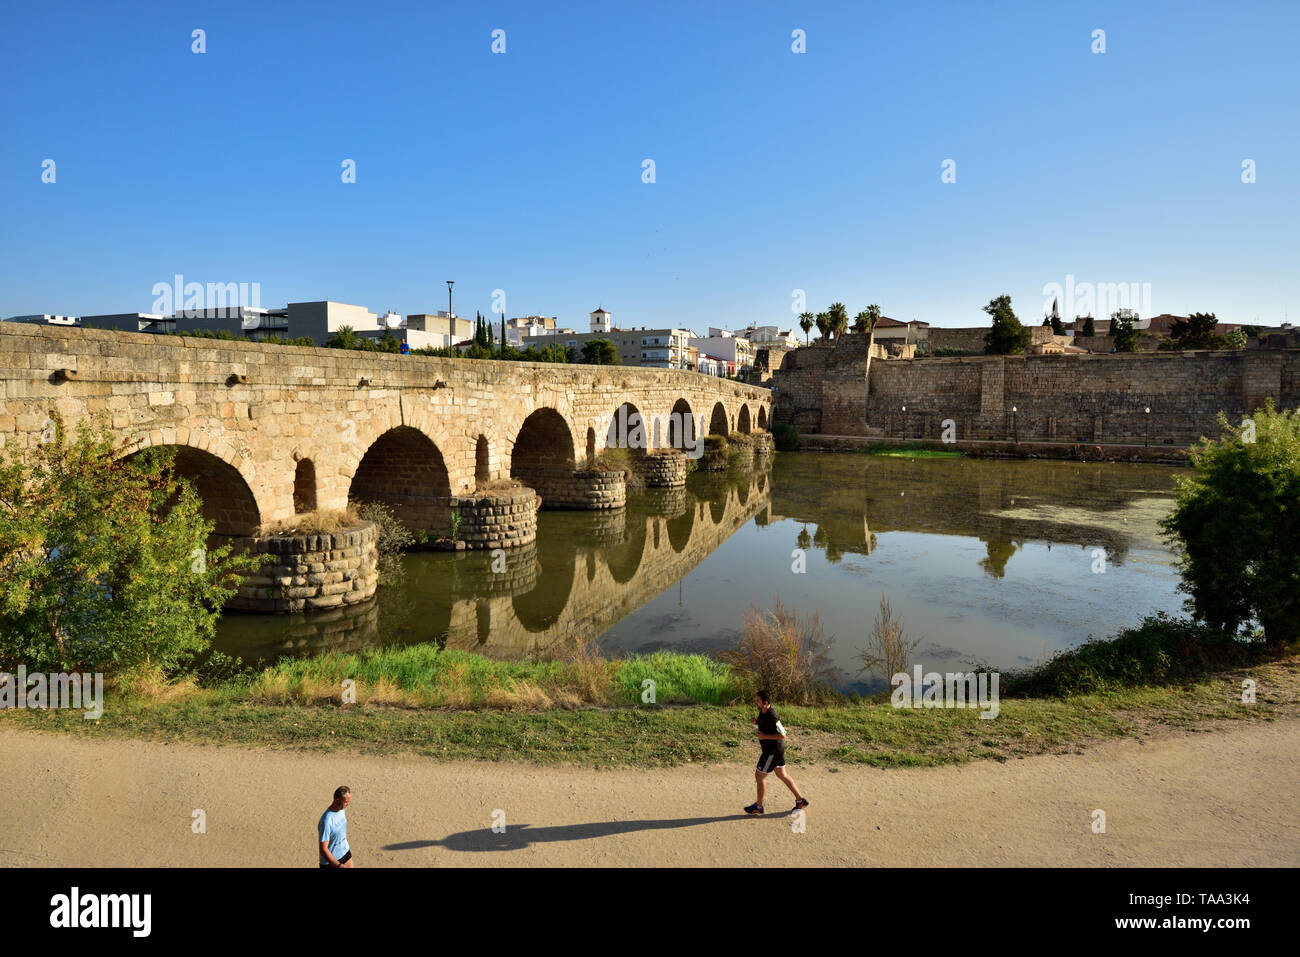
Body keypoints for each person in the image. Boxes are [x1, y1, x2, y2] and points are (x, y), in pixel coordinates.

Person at [744, 690, 809, 816]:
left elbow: (783, 734)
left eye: (757, 700)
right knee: (782, 774)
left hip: (771, 752)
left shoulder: (772, 715)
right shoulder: (763, 711)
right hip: (775, 751)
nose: (755, 702)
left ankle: (758, 806)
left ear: (765, 702)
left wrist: (765, 736)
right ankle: (801, 800)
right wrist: (756, 722)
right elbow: (764, 723)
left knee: (759, 776)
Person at [318, 786, 353, 868]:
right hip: (330, 862)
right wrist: (338, 865)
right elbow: (323, 849)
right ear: (337, 800)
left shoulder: (341, 810)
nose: (348, 804)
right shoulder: (326, 821)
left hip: (345, 852)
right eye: (346, 802)